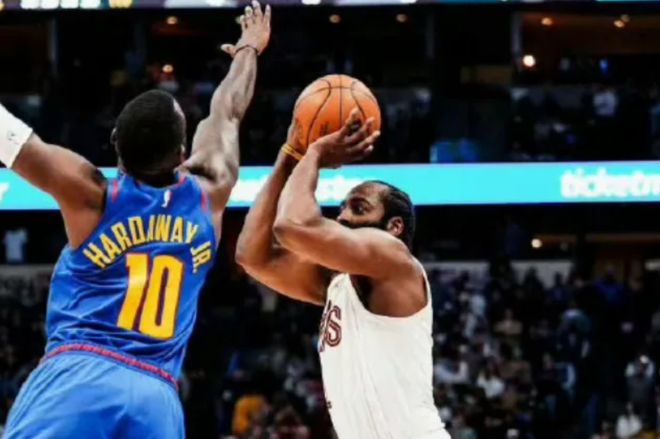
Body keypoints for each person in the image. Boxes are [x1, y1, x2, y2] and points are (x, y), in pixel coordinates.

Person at [0, 2, 271, 437]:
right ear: (182, 154)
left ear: (114, 143)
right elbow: (228, 110)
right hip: (156, 395)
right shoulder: (211, 190)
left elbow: (13, 141)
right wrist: (248, 50)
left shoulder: (92, 196)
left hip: (79, 375)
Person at [236, 109, 448, 438]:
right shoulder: (337, 283)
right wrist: (288, 157)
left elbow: (291, 226)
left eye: (359, 208)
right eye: (342, 208)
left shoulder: (395, 258)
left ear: (394, 226)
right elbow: (251, 255)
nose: (343, 217)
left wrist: (315, 153)